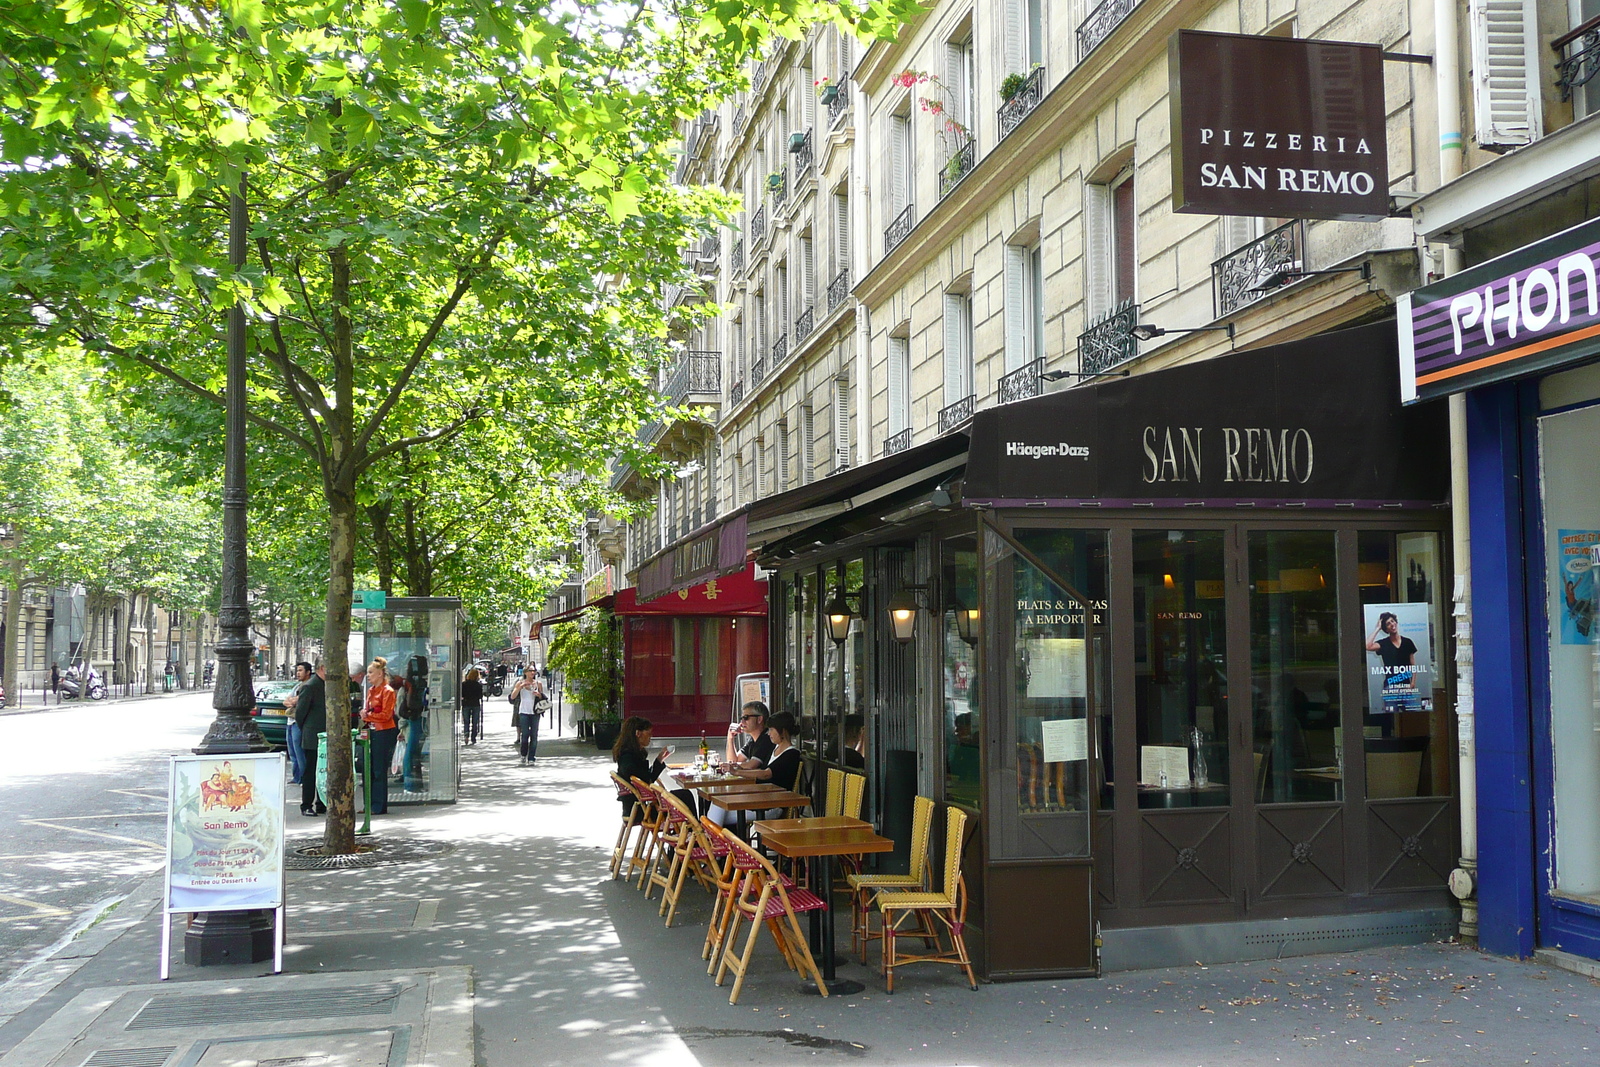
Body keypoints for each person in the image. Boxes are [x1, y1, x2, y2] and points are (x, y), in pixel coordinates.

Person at [613, 716, 694, 816]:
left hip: (638, 807)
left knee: (683, 795)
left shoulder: (628, 755)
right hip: (642, 810)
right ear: (638, 733)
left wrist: (660, 759)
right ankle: (695, 830)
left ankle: (692, 829)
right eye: (648, 733)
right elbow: (647, 780)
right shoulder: (628, 759)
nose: (651, 736)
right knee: (685, 795)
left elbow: (647, 778)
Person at [362, 661, 399, 814]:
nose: (368, 676)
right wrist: (366, 714)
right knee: (367, 768)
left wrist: (369, 716)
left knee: (378, 769)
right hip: (371, 731)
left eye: (371, 673)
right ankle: (369, 804)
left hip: (383, 732)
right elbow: (367, 709)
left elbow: (386, 715)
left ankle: (378, 805)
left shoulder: (388, 691)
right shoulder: (371, 690)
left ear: (380, 674)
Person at [295, 664, 328, 816]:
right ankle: (306, 804)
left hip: (326, 735)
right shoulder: (310, 686)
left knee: (324, 770)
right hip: (313, 736)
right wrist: (306, 730)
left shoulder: (327, 685)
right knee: (311, 771)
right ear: (321, 668)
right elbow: (300, 713)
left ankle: (321, 802)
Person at [282, 662, 313, 785]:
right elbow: (286, 701)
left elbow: (296, 701)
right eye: (297, 670)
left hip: (297, 722)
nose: (298, 673)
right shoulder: (297, 686)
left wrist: (293, 701)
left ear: (308, 672)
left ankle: (304, 778)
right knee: (292, 752)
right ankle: (297, 777)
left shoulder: (308, 686)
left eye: (300, 670)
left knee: (300, 751)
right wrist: (291, 701)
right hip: (290, 722)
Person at [723, 701, 775, 770]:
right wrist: (730, 738)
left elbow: (751, 765)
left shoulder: (767, 738)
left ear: (759, 719)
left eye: (746, 717)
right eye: (742, 718)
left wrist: (729, 765)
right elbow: (734, 760)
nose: (742, 722)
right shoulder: (753, 740)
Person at [510, 667, 546, 765]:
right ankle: (523, 754)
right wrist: (520, 687)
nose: (532, 672)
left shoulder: (538, 683)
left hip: (535, 712)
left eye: (534, 671)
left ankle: (531, 758)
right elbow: (513, 696)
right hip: (524, 712)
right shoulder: (520, 683)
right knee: (525, 734)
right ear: (525, 672)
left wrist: (538, 694)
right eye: (530, 671)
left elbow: (542, 697)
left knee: (534, 735)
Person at [461, 668, 485, 745]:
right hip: (475, 704)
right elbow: (480, 696)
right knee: (475, 722)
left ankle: (466, 735)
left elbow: (462, 694)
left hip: (466, 703)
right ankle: (473, 737)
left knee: (466, 721)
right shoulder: (478, 685)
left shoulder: (464, 684)